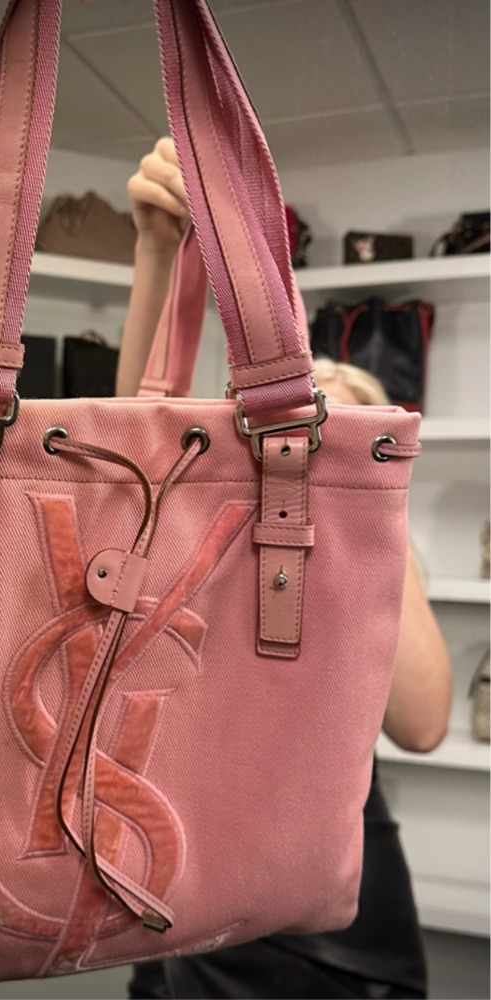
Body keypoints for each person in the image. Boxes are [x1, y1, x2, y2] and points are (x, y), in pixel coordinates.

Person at [120, 138, 453, 1000]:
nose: (313, 420)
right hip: (177, 888)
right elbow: (128, 467)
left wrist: (361, 498)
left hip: (335, 932)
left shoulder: (384, 558)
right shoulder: (219, 534)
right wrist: (156, 252)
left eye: (345, 407)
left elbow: (421, 724)